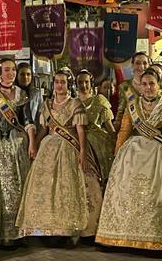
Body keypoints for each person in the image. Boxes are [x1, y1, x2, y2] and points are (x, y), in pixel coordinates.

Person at [97, 69, 162, 251]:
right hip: (133, 153)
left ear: (160, 86)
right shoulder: (133, 105)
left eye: (152, 84)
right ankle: (124, 236)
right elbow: (124, 130)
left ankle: (158, 238)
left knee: (158, 192)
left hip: (161, 152)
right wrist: (117, 154)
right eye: (144, 84)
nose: (148, 88)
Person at [17, 68, 103, 240]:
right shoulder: (47, 105)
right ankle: (45, 226)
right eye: (56, 82)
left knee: (67, 185)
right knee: (46, 186)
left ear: (68, 84)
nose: (59, 85)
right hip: (49, 146)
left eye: (63, 82)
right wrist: (34, 144)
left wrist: (83, 152)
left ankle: (68, 228)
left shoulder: (75, 104)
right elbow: (44, 129)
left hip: (69, 148)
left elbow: (80, 131)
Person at [0, 58, 36, 245]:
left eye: (13, 70)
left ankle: (17, 232)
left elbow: (28, 122)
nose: (10, 73)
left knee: (16, 187)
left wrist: (32, 143)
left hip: (17, 144)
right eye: (6, 70)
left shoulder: (22, 94)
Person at [76, 70, 116, 183]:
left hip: (98, 142)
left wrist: (116, 141)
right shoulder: (73, 102)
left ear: (91, 83)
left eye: (86, 82)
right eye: (80, 82)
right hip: (78, 141)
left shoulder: (99, 100)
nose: (83, 85)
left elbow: (109, 125)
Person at [115, 52, 151, 130]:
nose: (141, 66)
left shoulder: (155, 86)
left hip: (152, 127)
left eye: (145, 63)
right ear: (132, 65)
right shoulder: (125, 86)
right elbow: (121, 111)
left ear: (149, 66)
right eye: (137, 63)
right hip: (131, 128)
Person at [16, 62, 44, 129]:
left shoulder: (37, 94)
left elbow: (39, 116)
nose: (25, 77)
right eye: (22, 74)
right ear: (16, 76)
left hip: (32, 131)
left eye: (28, 74)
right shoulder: (12, 92)